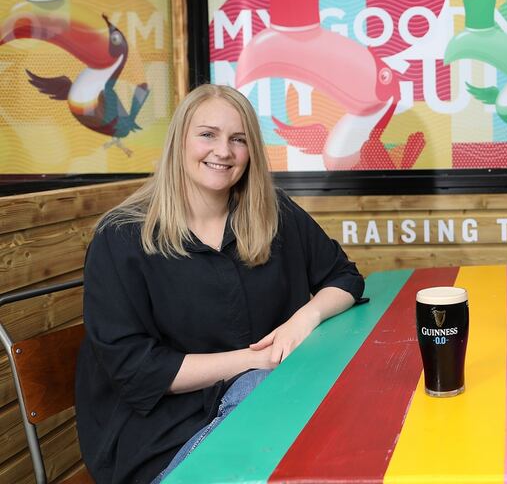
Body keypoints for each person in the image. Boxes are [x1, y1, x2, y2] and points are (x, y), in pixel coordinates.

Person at [75, 84, 365, 484]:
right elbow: (136, 371)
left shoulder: (273, 213)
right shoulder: (122, 237)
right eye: (208, 134)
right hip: (161, 437)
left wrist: (304, 319)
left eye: (238, 139)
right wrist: (253, 361)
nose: (223, 151)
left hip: (261, 408)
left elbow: (344, 277)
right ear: (180, 141)